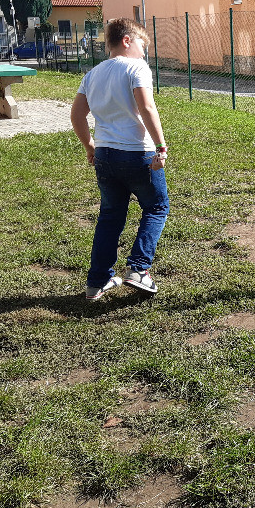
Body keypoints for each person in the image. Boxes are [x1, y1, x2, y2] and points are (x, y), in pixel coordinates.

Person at [70, 17, 170, 301]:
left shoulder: (92, 74)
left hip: (105, 155)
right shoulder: (137, 68)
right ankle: (138, 269)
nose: (144, 54)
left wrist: (90, 146)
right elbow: (147, 107)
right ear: (127, 41)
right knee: (157, 207)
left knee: (110, 216)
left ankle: (97, 281)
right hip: (138, 153)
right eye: (142, 47)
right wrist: (161, 147)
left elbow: (77, 115)